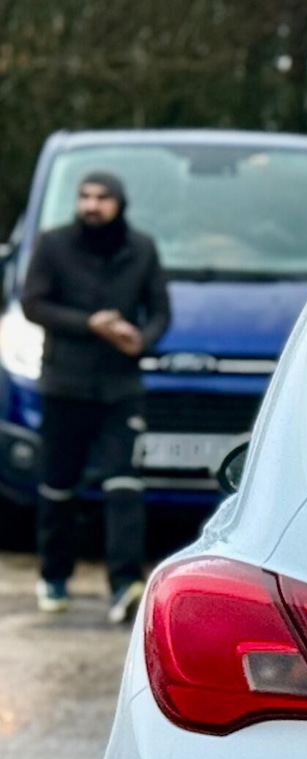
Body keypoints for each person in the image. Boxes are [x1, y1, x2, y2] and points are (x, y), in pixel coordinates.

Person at [21, 170, 170, 622]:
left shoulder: (141, 248)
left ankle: (125, 584)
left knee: (124, 484)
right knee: (58, 486)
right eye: (84, 196)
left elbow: (160, 312)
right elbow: (33, 303)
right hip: (64, 385)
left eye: (102, 197)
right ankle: (54, 577)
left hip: (120, 389)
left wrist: (141, 340)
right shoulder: (53, 244)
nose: (91, 205)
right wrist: (89, 324)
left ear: (119, 203)